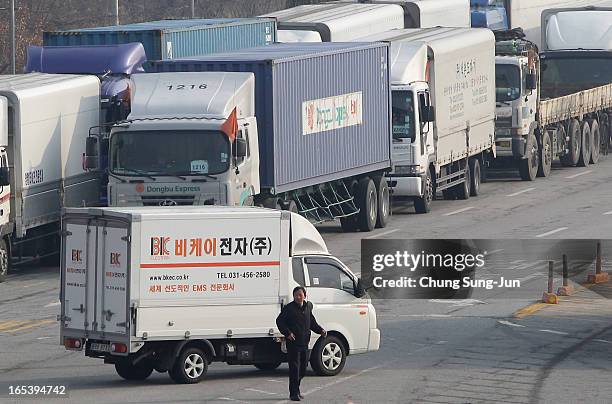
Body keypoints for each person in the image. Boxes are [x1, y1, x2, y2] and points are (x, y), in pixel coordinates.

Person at [276, 286, 326, 401]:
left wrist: (320, 330)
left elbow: (312, 322)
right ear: (293, 296)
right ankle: (293, 393)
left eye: (300, 294)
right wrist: (287, 333)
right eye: (296, 295)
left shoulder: (308, 307)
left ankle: (297, 390)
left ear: (305, 295)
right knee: (294, 368)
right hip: (293, 343)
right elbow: (279, 321)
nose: (298, 297)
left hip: (304, 343)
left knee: (303, 368)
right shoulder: (289, 309)